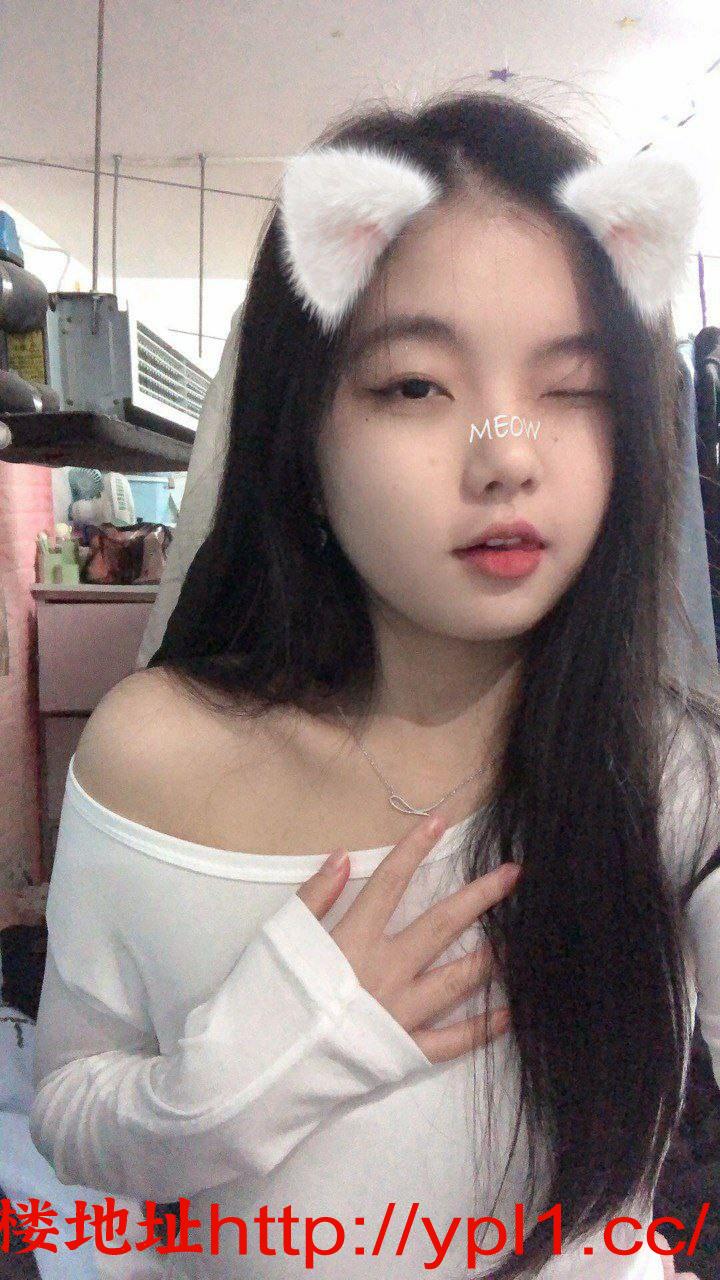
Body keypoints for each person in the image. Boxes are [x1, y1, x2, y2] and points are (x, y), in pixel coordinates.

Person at [28, 90, 718, 1280]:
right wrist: (279, 1050)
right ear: (301, 433)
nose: (508, 454)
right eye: (415, 386)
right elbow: (71, 1112)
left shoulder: (668, 769)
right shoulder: (159, 750)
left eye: (571, 386)